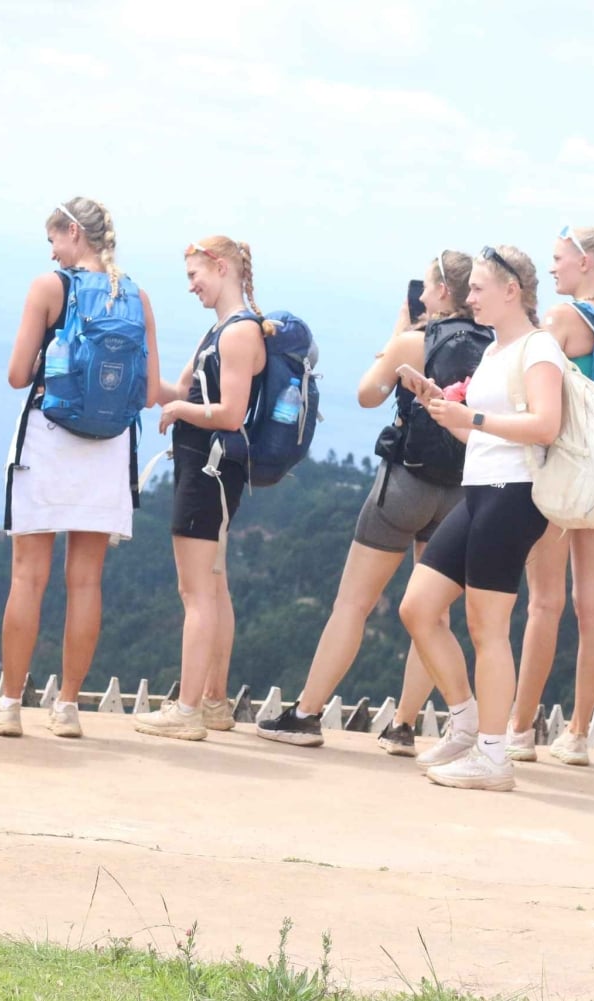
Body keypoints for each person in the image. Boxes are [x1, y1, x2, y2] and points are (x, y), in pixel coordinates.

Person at [256, 251, 488, 754]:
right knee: (433, 616)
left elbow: (366, 395)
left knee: (353, 604)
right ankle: (403, 727)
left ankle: (307, 713)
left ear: (444, 292)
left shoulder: (415, 340)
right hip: (460, 491)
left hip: (405, 485)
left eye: (428, 286)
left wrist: (396, 338)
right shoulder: (495, 347)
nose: (422, 295)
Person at [0, 198, 161, 740]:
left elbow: (16, 375)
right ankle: (68, 707)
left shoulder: (49, 288)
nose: (53, 250)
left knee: (27, 577)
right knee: (86, 583)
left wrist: (50, 364)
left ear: (74, 234)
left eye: (54, 239)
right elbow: (148, 392)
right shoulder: (137, 297)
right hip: (108, 450)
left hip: (49, 441)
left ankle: (9, 704)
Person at [398, 245, 563, 791]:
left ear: (511, 291)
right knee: (418, 607)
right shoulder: (496, 350)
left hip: (514, 496)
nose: (469, 296)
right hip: (481, 489)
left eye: (479, 288)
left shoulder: (539, 349)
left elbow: (545, 426)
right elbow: (482, 433)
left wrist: (473, 415)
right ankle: (468, 724)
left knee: (487, 628)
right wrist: (444, 413)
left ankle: (495, 756)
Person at [131, 236, 270, 741]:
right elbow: (177, 389)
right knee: (213, 587)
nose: (191, 286)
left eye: (195, 275)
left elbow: (229, 414)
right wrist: (145, 344)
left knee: (196, 593)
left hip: (208, 470)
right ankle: (212, 701)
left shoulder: (236, 335)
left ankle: (187, 709)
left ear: (220, 266)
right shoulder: (221, 332)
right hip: (210, 472)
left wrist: (180, 412)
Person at [506, 226, 594, 767]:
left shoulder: (559, 322)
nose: (551, 269)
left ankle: (520, 727)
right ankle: (577, 734)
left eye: (557, 260)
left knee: (545, 602)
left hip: (561, 474)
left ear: (584, 262)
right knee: (593, 602)